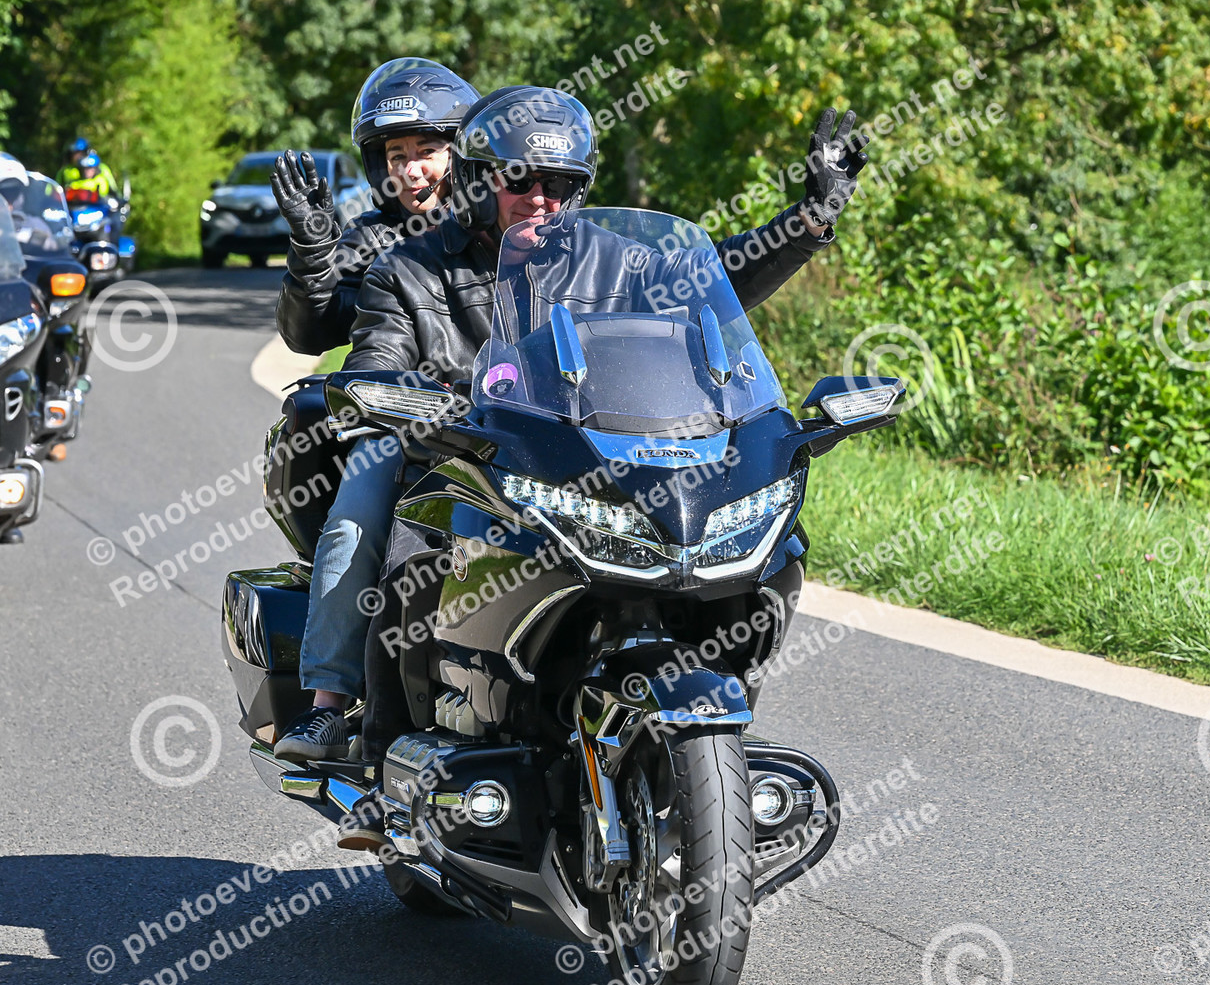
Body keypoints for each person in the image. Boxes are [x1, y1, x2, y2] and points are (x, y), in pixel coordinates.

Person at [272, 86, 870, 852]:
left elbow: (718, 279)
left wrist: (811, 218)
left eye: (559, 184)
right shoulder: (411, 269)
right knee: (411, 557)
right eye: (520, 180)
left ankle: (692, 746)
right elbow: (377, 356)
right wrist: (402, 392)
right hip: (465, 461)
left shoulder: (614, 260)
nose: (540, 199)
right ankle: (376, 763)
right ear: (481, 179)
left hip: (588, 463)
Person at [274, 58, 480, 355]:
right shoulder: (372, 238)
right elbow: (307, 336)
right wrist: (313, 255)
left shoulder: (494, 229)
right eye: (397, 157)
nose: (410, 171)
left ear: (460, 157)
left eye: (426, 152)